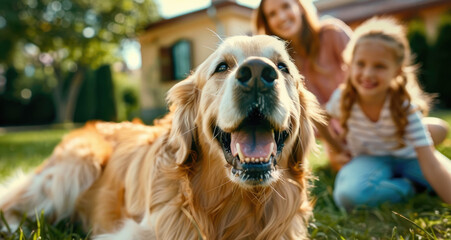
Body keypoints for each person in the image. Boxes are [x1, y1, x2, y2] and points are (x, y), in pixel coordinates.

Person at [252, 0, 449, 170]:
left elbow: (371, 69)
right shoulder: (281, 65)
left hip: (377, 121)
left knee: (438, 129)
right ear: (267, 23)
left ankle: (386, 159)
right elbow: (306, 117)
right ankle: (387, 161)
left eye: (286, 6)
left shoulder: (332, 33)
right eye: (272, 14)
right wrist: (336, 147)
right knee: (344, 164)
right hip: (340, 140)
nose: (281, 16)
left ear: (299, 6)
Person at [323, 17, 451, 210]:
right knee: (348, 196)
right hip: (368, 159)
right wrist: (337, 148)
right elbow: (321, 118)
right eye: (361, 64)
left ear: (397, 72)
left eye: (379, 66)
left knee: (442, 175)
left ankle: (418, 180)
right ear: (350, 65)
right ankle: (409, 187)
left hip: (411, 158)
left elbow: (431, 164)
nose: (367, 74)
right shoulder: (342, 99)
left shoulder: (404, 107)